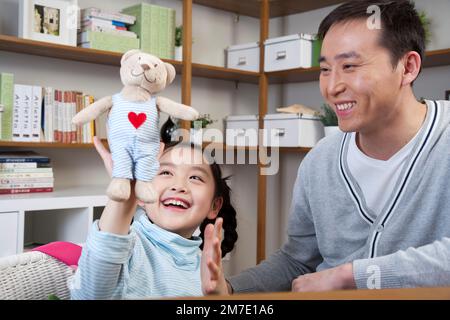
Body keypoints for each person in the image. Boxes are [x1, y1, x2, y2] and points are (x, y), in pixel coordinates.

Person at [203, 0, 450, 294]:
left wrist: (351, 276)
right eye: (324, 69)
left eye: (349, 66)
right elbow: (298, 261)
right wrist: (229, 290)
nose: (332, 87)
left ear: (408, 67)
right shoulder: (320, 159)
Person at [70, 138, 238, 299]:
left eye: (195, 177)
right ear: (143, 193)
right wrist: (126, 196)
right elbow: (90, 294)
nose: (179, 186)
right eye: (165, 172)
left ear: (214, 206)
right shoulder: (127, 246)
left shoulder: (207, 267)